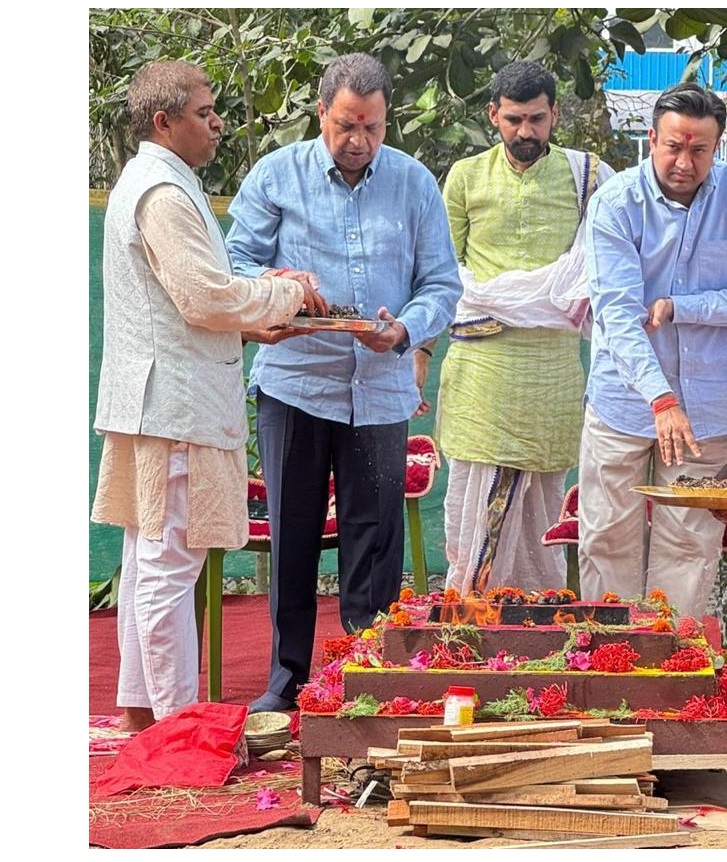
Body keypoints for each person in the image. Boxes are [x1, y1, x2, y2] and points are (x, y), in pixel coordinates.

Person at [226, 53, 463, 713]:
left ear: (386, 121)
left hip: (381, 387)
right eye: (345, 126)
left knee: (375, 535)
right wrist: (279, 283)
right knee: (294, 532)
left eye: (373, 127)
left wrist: (405, 330)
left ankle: (368, 676)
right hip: (295, 384)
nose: (358, 141)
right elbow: (236, 262)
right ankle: (285, 680)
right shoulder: (276, 175)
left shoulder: (414, 183)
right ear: (321, 113)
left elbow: (442, 283)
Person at [91, 60, 323, 732]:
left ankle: (144, 716)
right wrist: (285, 294)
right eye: (203, 111)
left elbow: (193, 301)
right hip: (177, 407)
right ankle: (174, 727)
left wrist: (255, 318)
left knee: (148, 560)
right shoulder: (162, 193)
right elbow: (202, 299)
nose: (217, 121)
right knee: (168, 565)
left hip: (160, 400)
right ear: (164, 121)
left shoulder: (157, 180)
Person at [577, 82, 727, 618]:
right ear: (650, 138)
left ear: (716, 148)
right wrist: (660, 398)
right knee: (605, 537)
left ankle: (673, 665)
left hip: (708, 407)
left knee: (691, 544)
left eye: (699, 150)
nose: (684, 162)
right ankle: (608, 661)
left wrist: (682, 306)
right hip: (623, 402)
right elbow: (618, 314)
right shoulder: (615, 202)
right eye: (673, 146)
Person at [436, 60, 614, 596]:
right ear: (494, 115)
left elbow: (598, 272)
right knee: (471, 496)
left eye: (537, 118)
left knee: (542, 496)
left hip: (552, 370)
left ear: (555, 114)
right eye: (514, 119)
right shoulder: (465, 176)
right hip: (480, 367)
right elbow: (445, 274)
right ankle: (472, 608)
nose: (526, 131)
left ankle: (538, 611)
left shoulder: (588, 178)